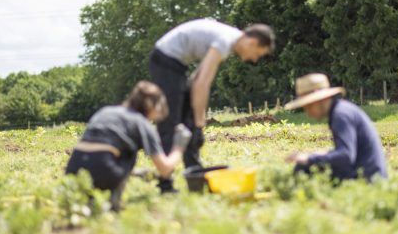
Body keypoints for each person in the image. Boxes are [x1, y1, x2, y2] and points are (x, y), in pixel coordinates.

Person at [149, 18, 275, 193]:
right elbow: (202, 84)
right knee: (170, 121)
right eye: (258, 53)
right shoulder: (225, 41)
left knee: (188, 120)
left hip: (175, 64)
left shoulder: (228, 39)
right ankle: (165, 183)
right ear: (252, 42)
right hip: (165, 60)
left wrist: (194, 120)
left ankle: (196, 174)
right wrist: (200, 121)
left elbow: (196, 79)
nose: (254, 59)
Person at [65, 81, 192, 211]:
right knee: (130, 151)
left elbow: (96, 152)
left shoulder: (106, 111)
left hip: (73, 171)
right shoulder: (142, 123)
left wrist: (135, 172)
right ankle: (113, 203)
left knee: (117, 150)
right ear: (151, 105)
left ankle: (88, 200)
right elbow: (165, 170)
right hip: (104, 171)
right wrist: (179, 146)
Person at [284, 73, 387, 183]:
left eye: (309, 106)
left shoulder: (340, 115)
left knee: (303, 168)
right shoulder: (340, 110)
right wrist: (325, 154)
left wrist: (309, 159)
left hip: (368, 178)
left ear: (320, 100)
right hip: (367, 171)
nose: (308, 113)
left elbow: (346, 156)